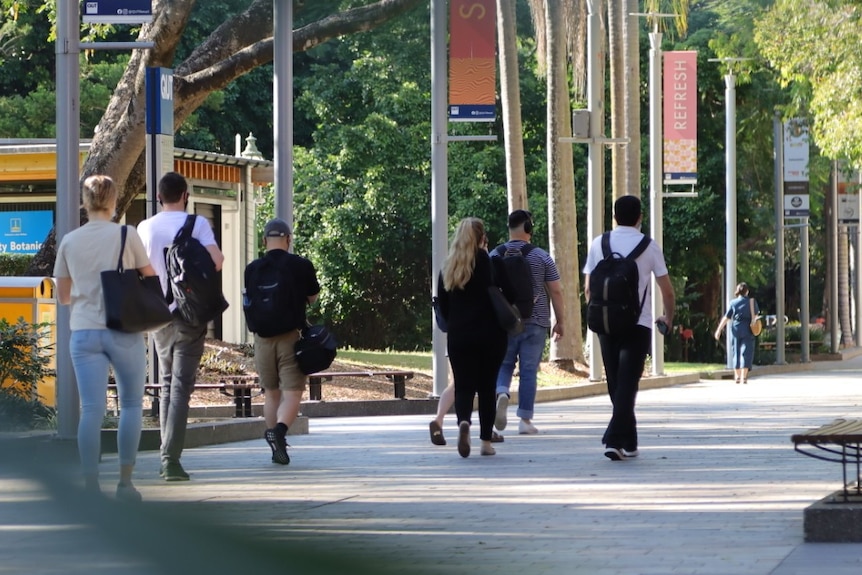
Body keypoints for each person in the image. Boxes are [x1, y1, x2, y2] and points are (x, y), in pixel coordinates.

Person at [54, 175, 155, 501]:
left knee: (92, 409)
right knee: (129, 405)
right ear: (113, 201)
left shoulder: (69, 240)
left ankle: (90, 485)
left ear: (85, 202)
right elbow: (149, 277)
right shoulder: (127, 235)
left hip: (84, 331)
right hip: (124, 329)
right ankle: (125, 483)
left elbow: (63, 296)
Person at [137, 172, 225, 481]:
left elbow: (140, 269)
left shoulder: (144, 228)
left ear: (158, 197)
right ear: (185, 195)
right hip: (190, 314)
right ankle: (169, 460)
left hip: (158, 314)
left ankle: (166, 455)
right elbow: (217, 260)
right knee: (180, 388)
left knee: (166, 382)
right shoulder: (197, 224)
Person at [583, 195, 675, 461]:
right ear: (639, 217)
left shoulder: (599, 243)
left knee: (616, 381)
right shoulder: (649, 246)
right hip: (638, 323)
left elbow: (589, 287)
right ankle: (614, 439)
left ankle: (629, 439)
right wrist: (668, 317)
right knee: (627, 382)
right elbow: (666, 291)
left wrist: (599, 313)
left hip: (605, 322)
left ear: (614, 216)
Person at [244, 218, 320, 465]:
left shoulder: (252, 269)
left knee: (271, 393)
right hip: (291, 337)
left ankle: (276, 445)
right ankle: (279, 432)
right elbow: (313, 297)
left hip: (261, 339)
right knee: (293, 392)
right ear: (289, 239)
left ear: (264, 241)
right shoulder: (301, 265)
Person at [436, 217, 512, 457]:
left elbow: (443, 308)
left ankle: (463, 423)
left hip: (459, 335)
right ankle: (486, 443)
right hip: (491, 335)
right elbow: (510, 294)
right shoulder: (492, 263)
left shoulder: (448, 267)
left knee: (464, 386)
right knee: (487, 387)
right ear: (482, 238)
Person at [492, 210, 564, 437]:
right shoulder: (541, 256)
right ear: (528, 228)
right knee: (529, 370)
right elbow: (555, 290)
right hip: (536, 321)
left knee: (504, 364)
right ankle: (525, 420)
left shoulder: (495, 254)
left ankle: (502, 392)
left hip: (505, 322)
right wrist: (560, 321)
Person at [714, 282, 759, 384]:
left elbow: (726, 317)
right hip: (748, 329)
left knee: (736, 352)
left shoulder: (733, 303)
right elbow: (755, 317)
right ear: (747, 291)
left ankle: (737, 376)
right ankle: (744, 377)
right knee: (746, 352)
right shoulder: (752, 302)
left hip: (736, 329)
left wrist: (718, 330)